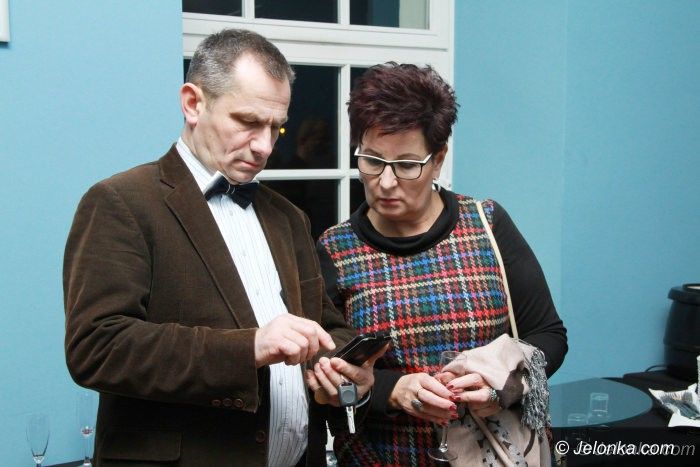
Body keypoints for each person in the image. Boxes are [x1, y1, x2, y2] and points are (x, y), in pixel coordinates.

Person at [63, 29, 378, 467]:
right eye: (248, 122)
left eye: (276, 127)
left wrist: (346, 371)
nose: (265, 146)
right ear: (193, 103)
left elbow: (325, 327)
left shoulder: (288, 218)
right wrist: (250, 347)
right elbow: (97, 348)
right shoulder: (121, 202)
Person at [311, 63, 568, 465]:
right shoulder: (335, 249)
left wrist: (502, 387)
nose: (386, 182)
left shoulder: (486, 224)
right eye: (372, 160)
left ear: (438, 159)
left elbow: (549, 335)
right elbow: (324, 373)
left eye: (407, 165)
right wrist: (390, 391)